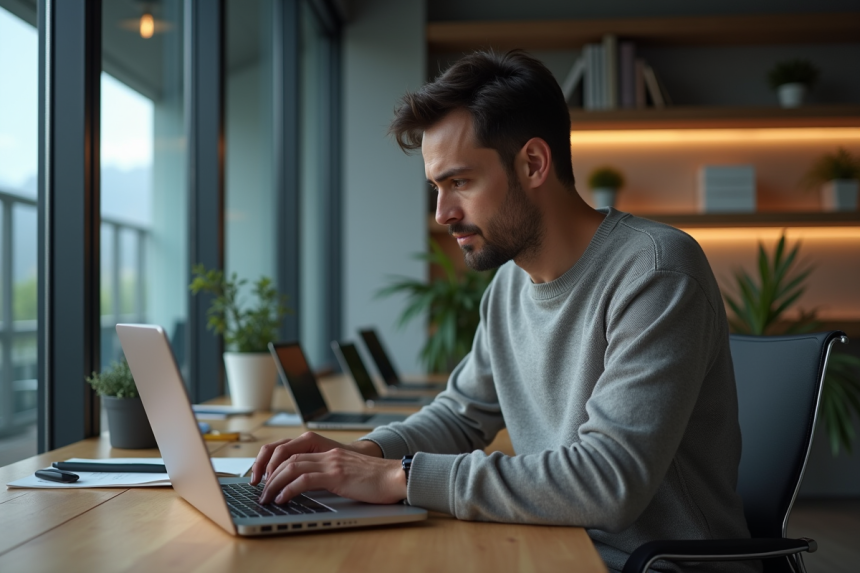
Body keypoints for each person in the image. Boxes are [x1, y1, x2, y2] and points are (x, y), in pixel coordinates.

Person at [251, 50, 755, 572]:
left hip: (655, 564)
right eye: (436, 187)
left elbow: (609, 482)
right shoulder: (509, 287)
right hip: (556, 544)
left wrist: (396, 477)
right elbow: (460, 415)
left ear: (533, 163)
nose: (443, 213)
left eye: (460, 182)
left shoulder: (655, 270)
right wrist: (359, 455)